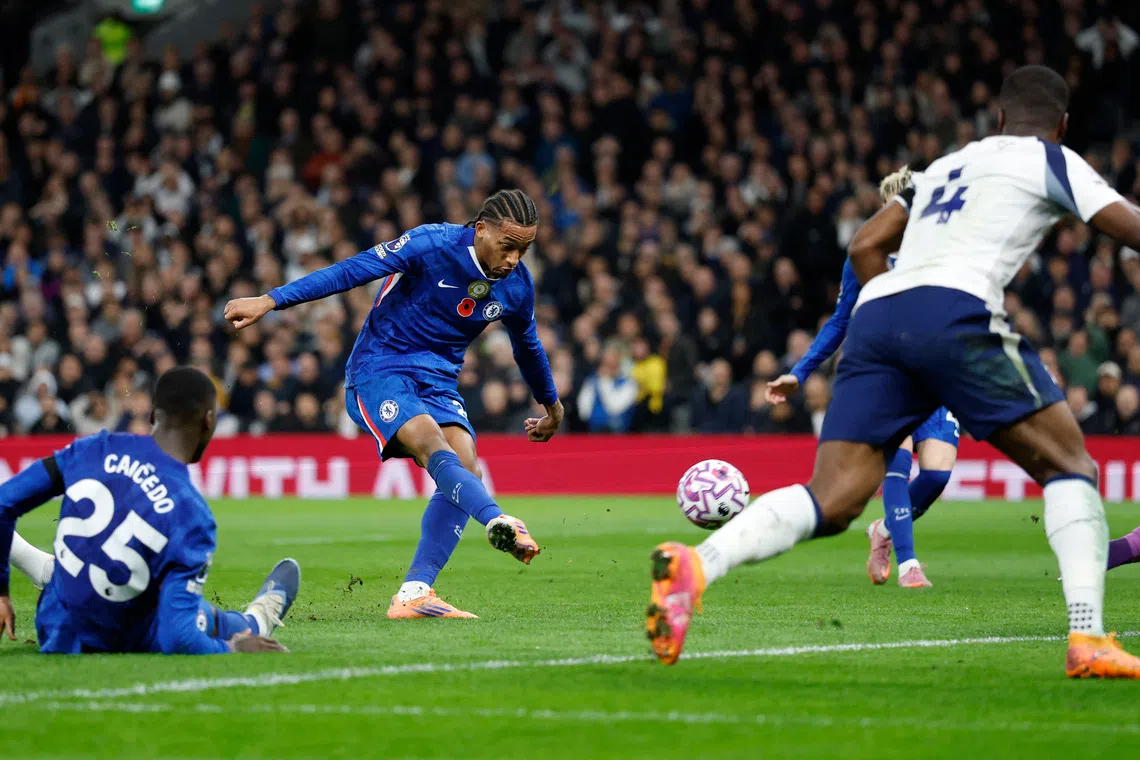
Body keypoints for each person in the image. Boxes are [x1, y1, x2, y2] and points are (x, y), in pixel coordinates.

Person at [646, 65, 1140, 677]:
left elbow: (861, 247)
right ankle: (1088, 639)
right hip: (956, 309)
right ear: (1061, 125)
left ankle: (697, 566)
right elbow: (1128, 228)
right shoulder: (1054, 161)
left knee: (831, 500)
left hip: (877, 320)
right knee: (1071, 465)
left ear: (999, 119)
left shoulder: (948, 164)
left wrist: (901, 315)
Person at [224, 189, 563, 619]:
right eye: (508, 245)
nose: (515, 259)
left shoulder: (516, 287)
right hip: (379, 368)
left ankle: (414, 593)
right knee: (429, 440)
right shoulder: (431, 244)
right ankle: (497, 520)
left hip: (438, 380)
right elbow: (353, 270)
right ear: (481, 230)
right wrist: (270, 300)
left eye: (525, 249)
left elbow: (528, 347)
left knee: (466, 463)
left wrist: (552, 406)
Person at [0, 367, 299, 654]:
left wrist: (1, 591)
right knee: (183, 610)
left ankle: (53, 570)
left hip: (55, 629)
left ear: (154, 415)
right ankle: (255, 622)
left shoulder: (92, 448)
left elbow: (4, 502)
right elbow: (178, 637)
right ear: (209, 420)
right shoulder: (192, 514)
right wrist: (231, 649)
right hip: (120, 638)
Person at [766, 168, 959, 588]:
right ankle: (909, 565)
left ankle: (884, 530)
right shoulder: (866, 255)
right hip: (891, 374)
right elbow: (839, 322)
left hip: (937, 373)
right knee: (899, 461)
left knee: (938, 476)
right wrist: (800, 373)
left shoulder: (940, 249)